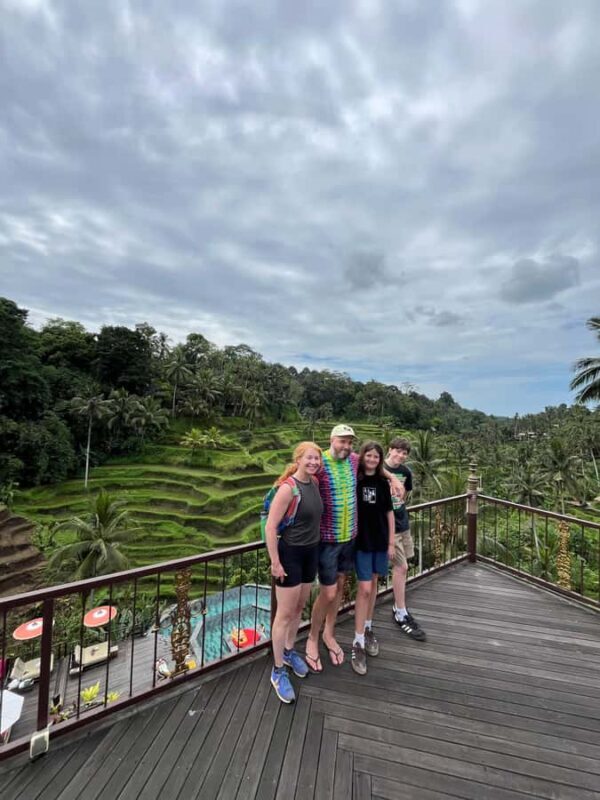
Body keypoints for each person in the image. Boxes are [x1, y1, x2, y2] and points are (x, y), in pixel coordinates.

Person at [305, 424, 404, 671]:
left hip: (350, 539)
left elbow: (377, 463)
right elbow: (298, 477)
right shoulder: (320, 462)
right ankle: (312, 637)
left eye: (350, 442)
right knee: (327, 592)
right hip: (327, 541)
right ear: (331, 440)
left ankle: (329, 633)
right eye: (342, 441)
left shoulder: (352, 461)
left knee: (339, 588)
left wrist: (393, 479)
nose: (346, 446)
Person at [265, 441, 323, 703]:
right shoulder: (289, 489)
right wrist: (275, 562)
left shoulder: (315, 484)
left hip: (311, 553)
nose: (313, 463)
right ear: (298, 459)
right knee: (284, 615)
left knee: (300, 608)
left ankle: (289, 652)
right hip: (290, 555)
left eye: (317, 459)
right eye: (309, 458)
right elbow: (270, 527)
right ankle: (277, 670)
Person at [352, 441, 395, 675]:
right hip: (362, 542)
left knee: (375, 583)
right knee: (365, 589)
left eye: (376, 457)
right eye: (368, 455)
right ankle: (357, 641)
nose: (372, 459)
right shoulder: (355, 479)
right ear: (363, 457)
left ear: (379, 460)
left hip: (380, 541)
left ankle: (368, 628)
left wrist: (391, 542)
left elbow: (389, 512)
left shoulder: (381, 482)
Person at [385, 437, 426, 641]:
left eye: (404, 453)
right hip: (385, 527)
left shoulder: (405, 472)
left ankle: (398, 607)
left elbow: (404, 496)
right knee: (401, 567)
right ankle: (400, 610)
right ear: (390, 450)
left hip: (402, 523)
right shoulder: (378, 467)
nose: (400, 456)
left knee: (401, 567)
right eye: (398, 451)